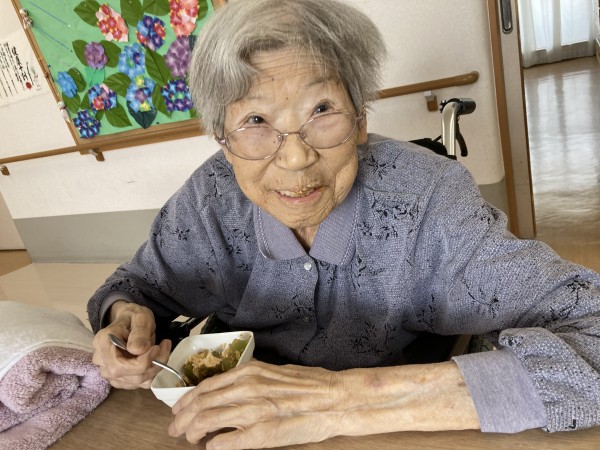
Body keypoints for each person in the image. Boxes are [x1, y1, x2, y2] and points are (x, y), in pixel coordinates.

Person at [88, 0, 600, 448]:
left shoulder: (432, 204)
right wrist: (124, 320)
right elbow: (136, 287)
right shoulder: (208, 199)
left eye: (322, 109)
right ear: (222, 139)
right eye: (255, 121)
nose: (294, 158)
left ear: (360, 119)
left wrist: (340, 398)